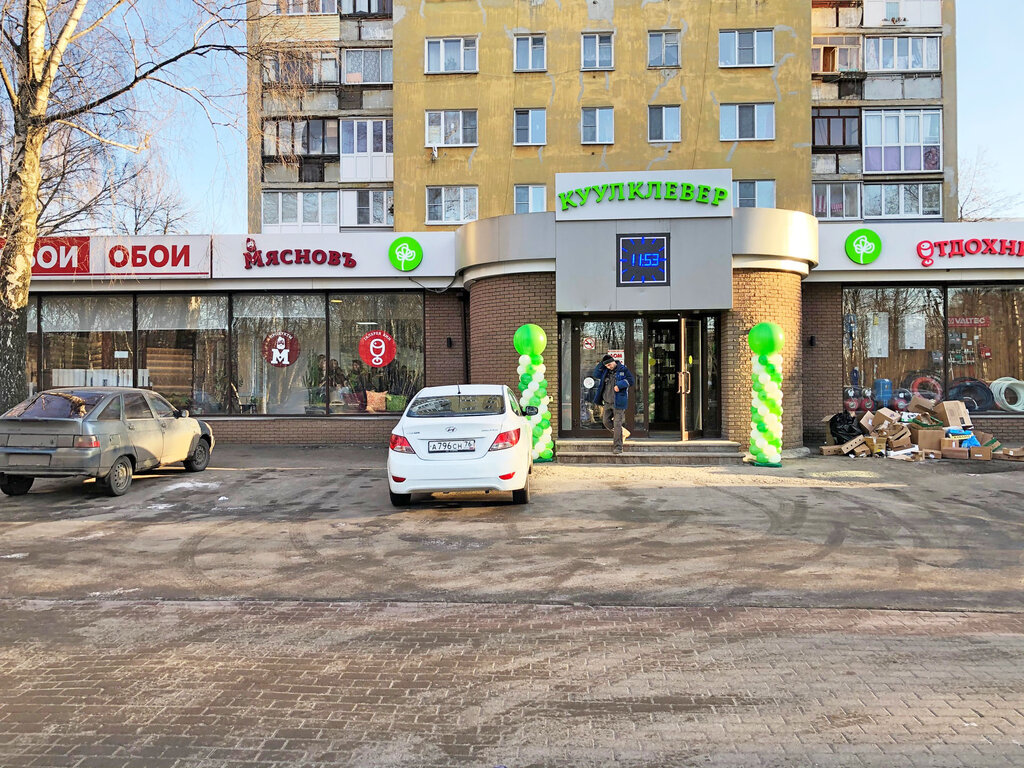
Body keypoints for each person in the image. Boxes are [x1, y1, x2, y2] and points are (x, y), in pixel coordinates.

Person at [591, 353, 635, 454]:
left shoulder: (623, 369)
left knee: (617, 424)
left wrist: (620, 385)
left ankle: (618, 447)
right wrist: (602, 363)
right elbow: (596, 374)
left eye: (609, 365)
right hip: (607, 402)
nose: (608, 367)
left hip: (618, 402)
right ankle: (623, 433)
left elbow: (631, 380)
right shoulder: (605, 371)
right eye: (606, 365)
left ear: (613, 362)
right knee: (606, 422)